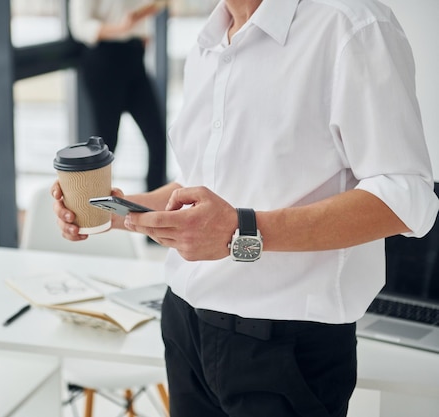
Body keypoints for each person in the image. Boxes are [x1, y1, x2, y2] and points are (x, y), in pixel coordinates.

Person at [54, 0, 439, 416]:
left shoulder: (352, 25)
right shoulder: (208, 40)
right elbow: (208, 185)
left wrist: (242, 230)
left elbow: (406, 198)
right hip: (185, 328)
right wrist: (115, 212)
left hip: (285, 349)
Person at [69, 0, 168, 191]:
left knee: (157, 138)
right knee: (107, 143)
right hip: (104, 61)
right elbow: (80, 26)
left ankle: (155, 210)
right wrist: (120, 28)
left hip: (133, 58)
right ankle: (96, 207)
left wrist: (138, 31)